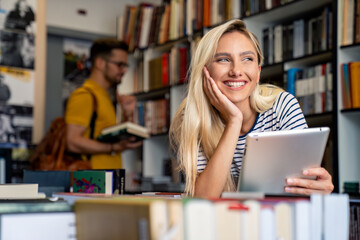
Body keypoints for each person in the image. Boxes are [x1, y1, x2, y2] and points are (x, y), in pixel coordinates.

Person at [169, 19, 334, 198]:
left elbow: (303, 184)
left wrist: (317, 188)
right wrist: (234, 121)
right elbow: (202, 200)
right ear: (205, 71)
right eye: (223, 59)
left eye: (247, 59)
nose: (236, 71)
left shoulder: (282, 106)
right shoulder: (193, 117)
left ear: (258, 72)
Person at [65, 38, 142, 169]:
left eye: (125, 66)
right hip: (92, 183)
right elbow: (72, 142)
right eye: (119, 64)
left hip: (107, 182)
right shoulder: (84, 95)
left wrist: (127, 113)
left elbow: (108, 137)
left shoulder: (105, 96)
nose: (124, 71)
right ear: (100, 63)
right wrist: (112, 147)